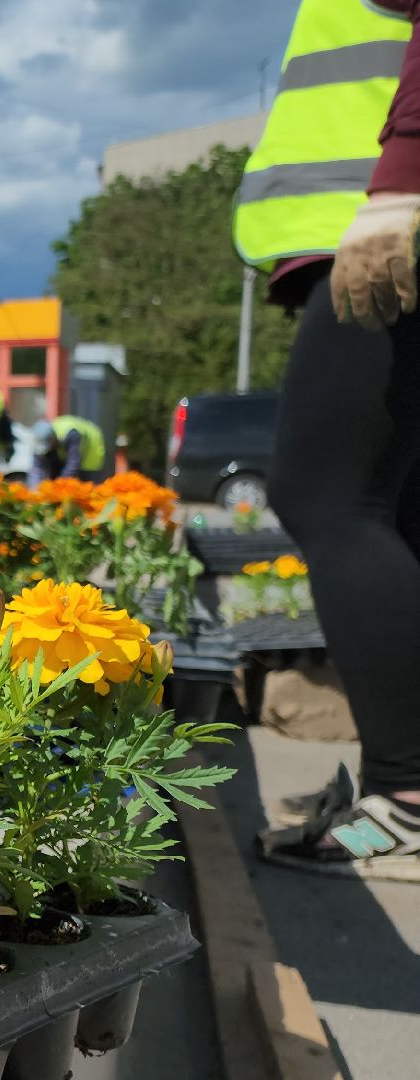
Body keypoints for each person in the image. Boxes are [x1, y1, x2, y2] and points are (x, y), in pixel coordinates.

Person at [238, 0, 420, 874]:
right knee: (398, 508)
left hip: (393, 218)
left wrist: (401, 180)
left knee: (329, 496)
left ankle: (409, 792)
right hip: (382, 210)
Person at [36, 414, 106, 482]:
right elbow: (37, 465)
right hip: (67, 446)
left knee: (85, 483)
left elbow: (73, 464)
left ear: (52, 439)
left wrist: (59, 485)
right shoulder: (43, 433)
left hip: (91, 446)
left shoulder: (71, 434)